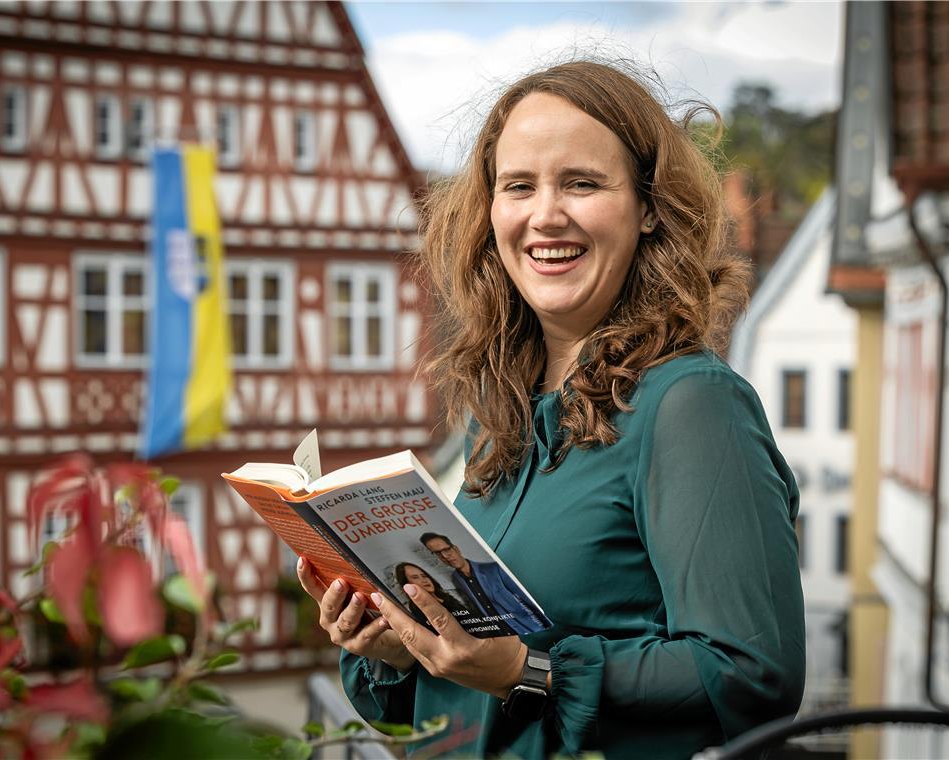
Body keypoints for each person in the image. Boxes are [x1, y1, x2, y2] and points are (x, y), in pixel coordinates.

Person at [297, 59, 805, 758]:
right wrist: (402, 646)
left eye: (582, 183)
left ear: (649, 206)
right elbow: (452, 708)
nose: (544, 215)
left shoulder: (692, 405)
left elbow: (752, 675)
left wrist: (526, 671)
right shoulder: (501, 413)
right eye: (519, 187)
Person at [418, 533, 547, 635]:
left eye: (446, 549)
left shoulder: (493, 569)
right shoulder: (455, 579)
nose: (445, 556)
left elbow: (526, 600)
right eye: (438, 554)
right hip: (500, 639)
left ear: (456, 549)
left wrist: (543, 626)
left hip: (528, 628)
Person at [393, 561, 474, 620]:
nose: (424, 580)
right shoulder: (417, 610)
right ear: (407, 584)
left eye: (424, 575)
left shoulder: (448, 595)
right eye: (415, 577)